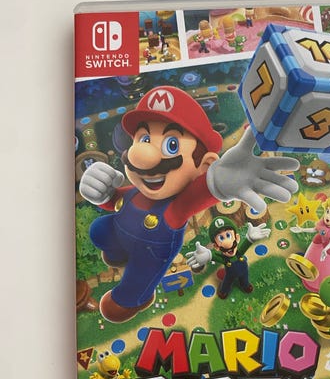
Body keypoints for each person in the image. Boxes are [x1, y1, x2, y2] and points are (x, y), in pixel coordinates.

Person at [79, 86, 298, 322]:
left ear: (204, 165)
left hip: (150, 253)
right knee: (99, 229)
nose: (141, 155)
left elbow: (199, 194)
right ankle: (118, 253)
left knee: (137, 280)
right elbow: (116, 202)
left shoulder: (177, 207)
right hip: (122, 235)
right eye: (144, 139)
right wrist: (102, 191)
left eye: (171, 145)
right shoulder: (135, 191)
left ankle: (134, 299)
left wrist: (220, 181)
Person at [291, 195, 330, 292]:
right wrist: (302, 229)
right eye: (328, 211)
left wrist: (325, 249)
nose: (328, 216)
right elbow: (314, 229)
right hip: (319, 244)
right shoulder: (322, 223)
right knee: (313, 261)